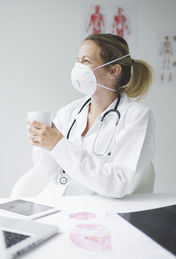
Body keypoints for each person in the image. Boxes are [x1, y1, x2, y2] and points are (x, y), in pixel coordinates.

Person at [25, 33, 155, 198]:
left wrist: (58, 144)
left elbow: (116, 184)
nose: (78, 67)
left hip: (94, 212)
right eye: (77, 60)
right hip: (52, 202)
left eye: (86, 61)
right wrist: (42, 144)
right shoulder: (69, 112)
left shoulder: (137, 116)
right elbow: (51, 173)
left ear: (113, 71)